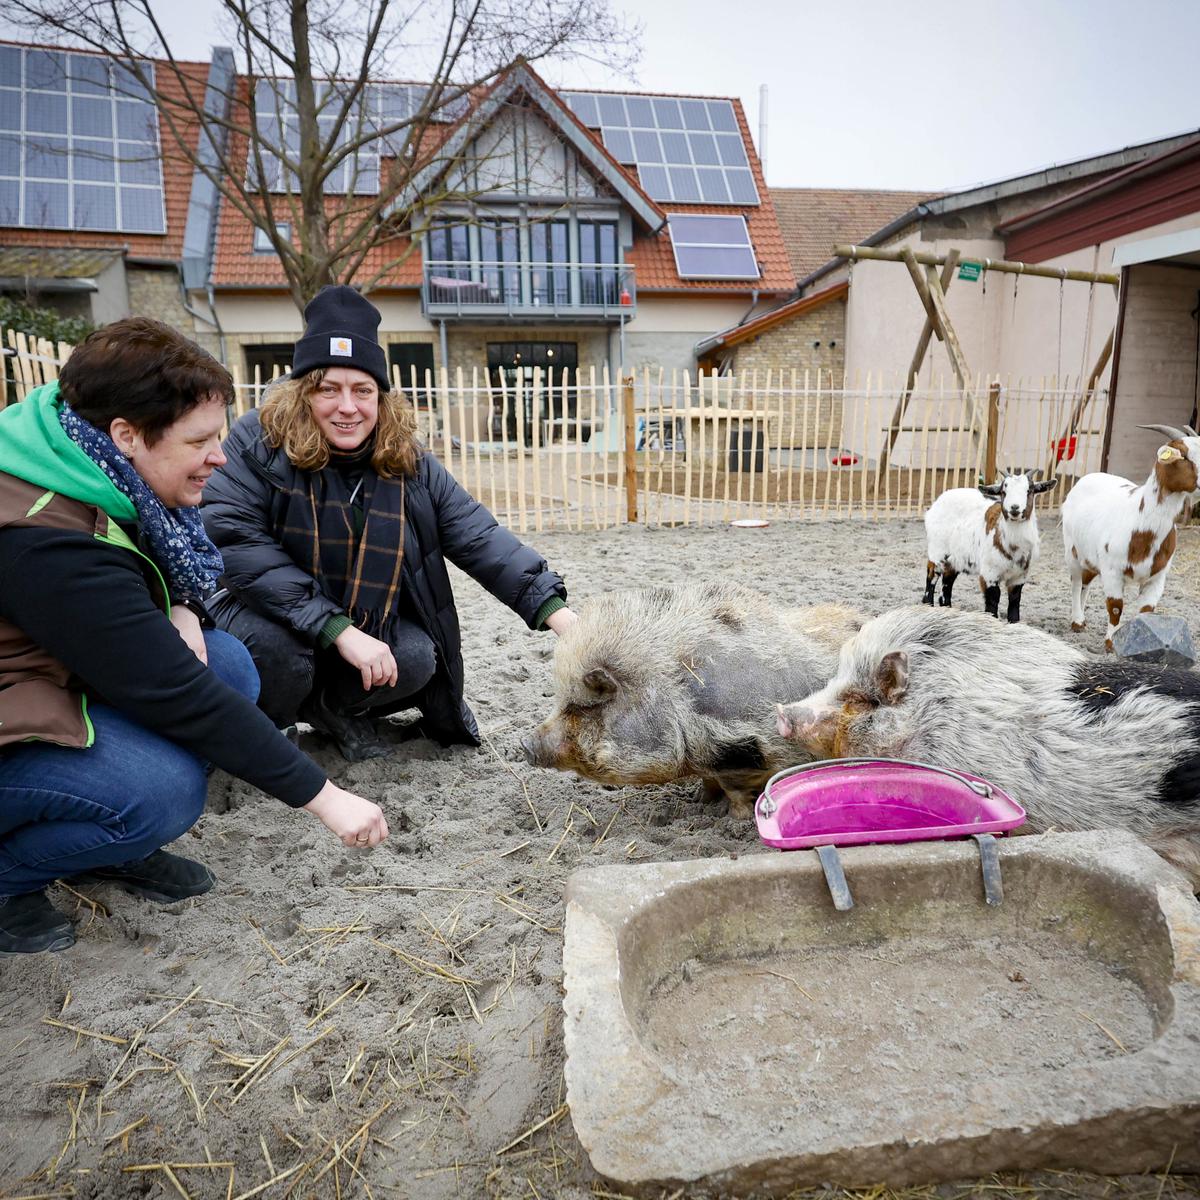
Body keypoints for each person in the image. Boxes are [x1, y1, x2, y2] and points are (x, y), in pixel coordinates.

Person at [0, 319, 389, 956]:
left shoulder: (77, 449)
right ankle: (13, 877)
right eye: (202, 440)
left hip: (47, 679)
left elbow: (150, 576)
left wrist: (181, 604)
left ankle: (105, 845)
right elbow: (173, 692)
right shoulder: (45, 541)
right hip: (15, 712)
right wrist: (326, 798)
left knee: (229, 662)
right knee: (162, 793)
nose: (220, 456)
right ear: (125, 434)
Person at [201, 285, 576, 761]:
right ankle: (269, 727)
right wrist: (339, 631)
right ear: (303, 392)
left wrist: (562, 618)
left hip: (353, 619)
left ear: (381, 396)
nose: (347, 407)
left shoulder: (406, 460)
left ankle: (328, 710)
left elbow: (477, 535)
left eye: (362, 390)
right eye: (328, 389)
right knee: (280, 656)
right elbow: (235, 542)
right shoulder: (257, 442)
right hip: (265, 615)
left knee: (417, 658)